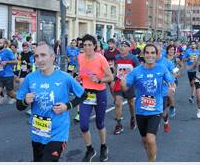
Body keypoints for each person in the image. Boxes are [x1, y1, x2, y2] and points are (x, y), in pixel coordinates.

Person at [16, 41, 88, 162]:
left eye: (43, 55)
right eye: (37, 56)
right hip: (38, 133)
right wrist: (25, 101)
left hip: (58, 133)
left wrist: (67, 106)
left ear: (53, 57)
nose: (39, 60)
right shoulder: (30, 78)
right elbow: (19, 106)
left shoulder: (65, 77)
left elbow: (83, 95)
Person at [121, 44, 175, 162]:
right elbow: (125, 88)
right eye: (147, 53)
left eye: (152, 53)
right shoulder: (136, 71)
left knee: (151, 139)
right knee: (145, 141)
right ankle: (151, 155)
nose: (150, 55)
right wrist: (123, 83)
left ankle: (152, 161)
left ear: (156, 55)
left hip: (156, 109)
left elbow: (172, 81)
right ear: (143, 55)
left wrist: (172, 89)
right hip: (140, 110)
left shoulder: (162, 68)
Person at [77, 34, 113, 162]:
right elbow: (81, 72)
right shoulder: (80, 57)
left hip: (99, 93)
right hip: (86, 94)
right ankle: (90, 149)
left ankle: (103, 147)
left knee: (99, 123)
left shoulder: (101, 59)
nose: (87, 47)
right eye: (85, 45)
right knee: (83, 125)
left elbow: (110, 77)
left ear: (94, 46)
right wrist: (79, 78)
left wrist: (99, 80)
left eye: (89, 45)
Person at [112, 40, 140, 135]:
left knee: (131, 103)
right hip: (119, 83)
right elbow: (116, 69)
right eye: (121, 46)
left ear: (129, 48)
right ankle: (119, 124)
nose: (122, 47)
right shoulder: (117, 57)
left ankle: (133, 118)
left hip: (129, 84)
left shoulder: (133, 58)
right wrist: (114, 74)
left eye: (125, 46)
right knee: (118, 102)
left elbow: (138, 70)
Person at [165, 44, 183, 118]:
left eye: (172, 49)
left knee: (170, 94)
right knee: (165, 96)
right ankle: (169, 105)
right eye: (169, 49)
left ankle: (172, 107)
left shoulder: (176, 59)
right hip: (164, 79)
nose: (171, 51)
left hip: (173, 79)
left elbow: (182, 66)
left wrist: (178, 72)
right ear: (167, 50)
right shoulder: (163, 58)